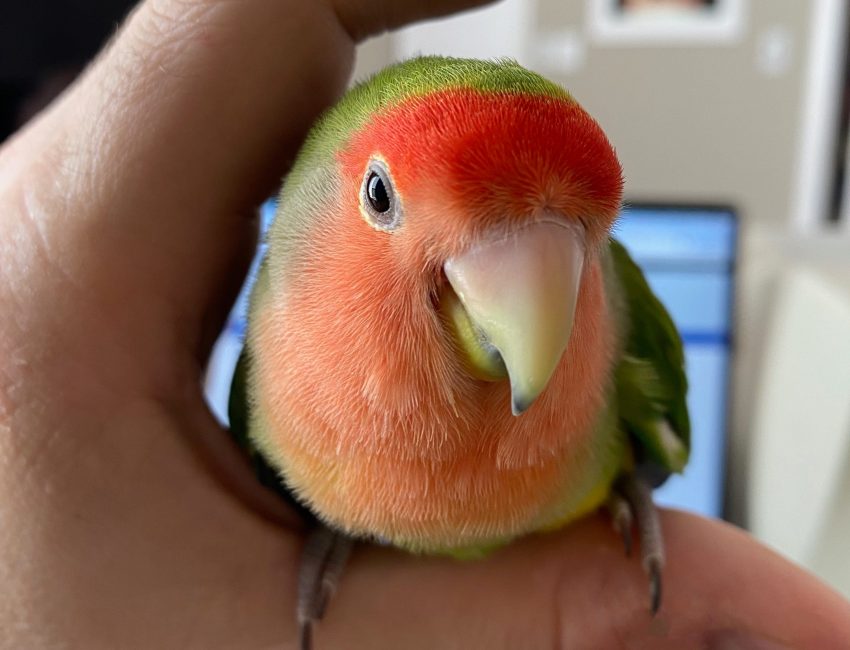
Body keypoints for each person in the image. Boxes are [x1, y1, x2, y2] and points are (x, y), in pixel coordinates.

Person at [1, 0, 848, 647]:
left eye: (581, 241)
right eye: (381, 197)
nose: (516, 287)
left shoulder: (629, 349)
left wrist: (630, 498)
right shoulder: (269, 398)